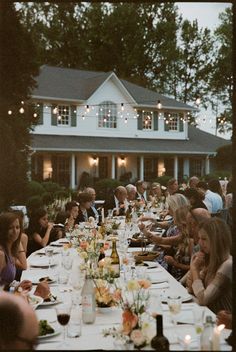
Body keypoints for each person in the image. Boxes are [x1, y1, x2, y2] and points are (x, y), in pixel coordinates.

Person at [187, 217, 232, 314]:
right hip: (205, 314)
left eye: (204, 239)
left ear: (217, 240)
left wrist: (194, 269)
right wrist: (194, 267)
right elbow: (189, 288)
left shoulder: (227, 264)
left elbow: (203, 299)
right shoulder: (210, 259)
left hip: (221, 323)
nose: (199, 243)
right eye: (199, 238)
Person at [0, 212, 28, 288]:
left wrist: (18, 286)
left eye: (17, 227)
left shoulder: (11, 250)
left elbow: (5, 283)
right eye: (10, 228)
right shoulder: (1, 254)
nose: (15, 231)